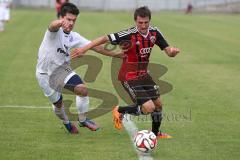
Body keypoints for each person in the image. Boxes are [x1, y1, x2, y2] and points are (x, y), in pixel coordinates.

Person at [71, 6, 180, 138]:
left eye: (146, 22)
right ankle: (119, 110)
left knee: (158, 105)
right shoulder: (128, 34)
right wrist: (84, 49)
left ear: (149, 21)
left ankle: (155, 134)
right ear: (135, 21)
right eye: (140, 22)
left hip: (144, 75)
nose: (143, 25)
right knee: (149, 108)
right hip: (129, 76)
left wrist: (172, 52)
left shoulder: (155, 33)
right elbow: (103, 39)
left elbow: (168, 51)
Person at [36, 3, 123, 134]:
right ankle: (67, 123)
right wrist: (60, 22)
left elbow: (96, 47)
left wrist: (117, 55)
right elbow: (52, 25)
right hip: (44, 74)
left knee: (82, 90)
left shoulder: (74, 36)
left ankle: (83, 120)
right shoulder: (53, 32)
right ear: (61, 17)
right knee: (58, 104)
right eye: (68, 19)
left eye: (74, 20)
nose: (71, 23)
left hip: (62, 70)